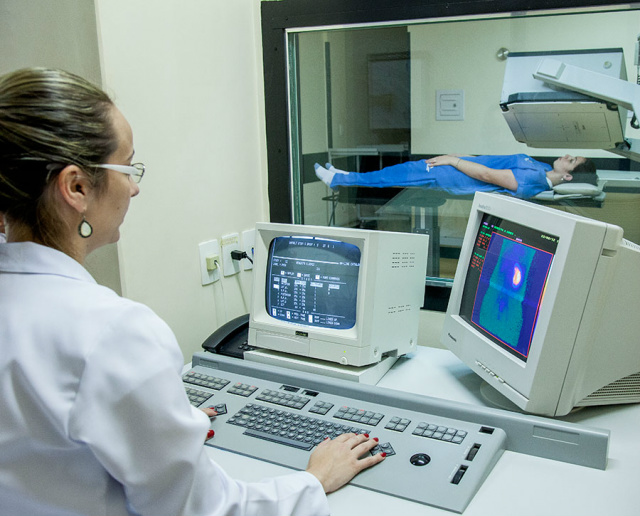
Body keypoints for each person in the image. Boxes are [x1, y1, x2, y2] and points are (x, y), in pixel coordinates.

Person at [0, 68, 384, 516]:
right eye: (128, 167)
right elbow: (205, 510)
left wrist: (167, 428)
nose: (135, 186)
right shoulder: (113, 332)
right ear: (77, 187)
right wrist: (315, 481)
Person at [315, 153, 598, 199]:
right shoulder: (540, 167)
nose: (566, 156)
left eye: (571, 161)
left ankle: (338, 181)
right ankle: (345, 174)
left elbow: (488, 175)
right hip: (454, 167)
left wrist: (454, 160)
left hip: (450, 177)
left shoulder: (532, 183)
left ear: (570, 176)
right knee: (394, 172)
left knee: (392, 175)